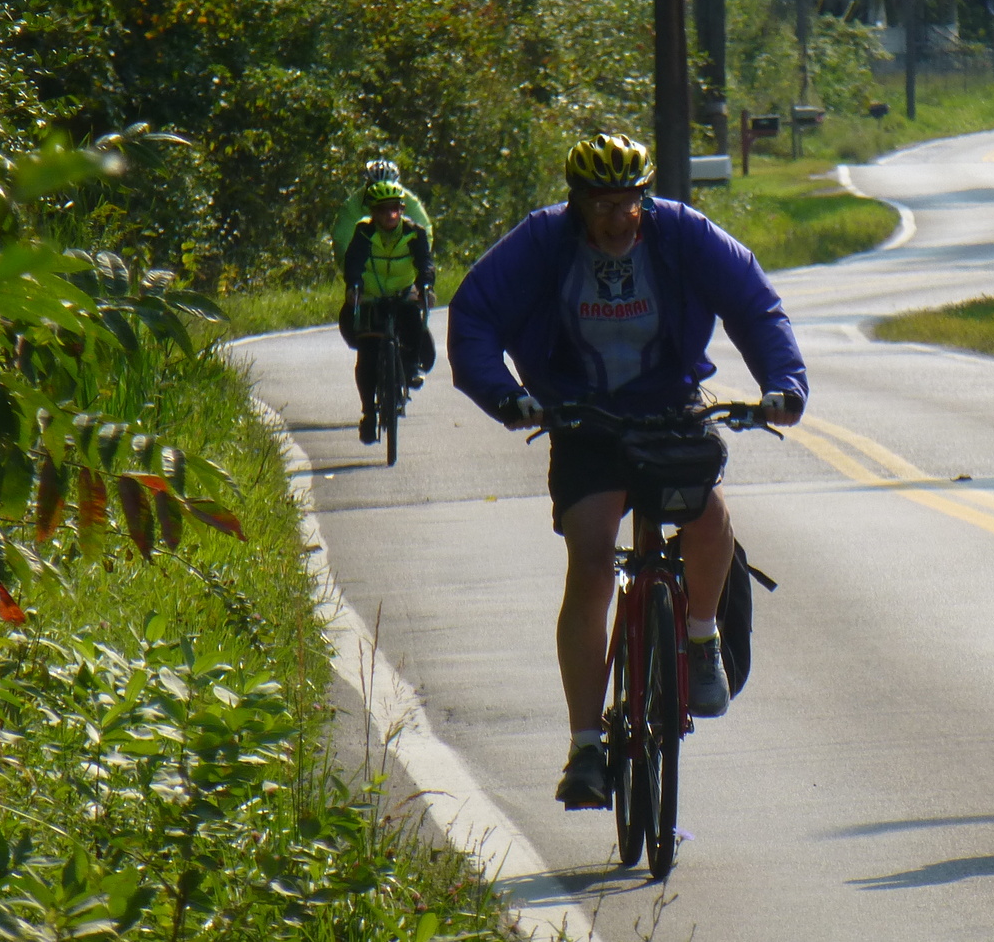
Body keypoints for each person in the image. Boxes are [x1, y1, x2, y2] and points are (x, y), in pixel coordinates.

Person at [448, 133, 807, 809]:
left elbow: (754, 303)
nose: (616, 219)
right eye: (601, 205)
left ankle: (701, 638)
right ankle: (586, 746)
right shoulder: (542, 242)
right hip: (582, 416)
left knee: (709, 518)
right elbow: (474, 316)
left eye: (627, 204)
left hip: (667, 405)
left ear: (645, 198)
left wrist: (782, 384)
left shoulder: (682, 233)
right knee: (590, 559)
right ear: (577, 202)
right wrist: (506, 395)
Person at [336, 160, 436, 444]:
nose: (390, 215)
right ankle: (368, 413)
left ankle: (411, 367)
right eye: (383, 210)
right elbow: (354, 261)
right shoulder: (363, 232)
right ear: (373, 212)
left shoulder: (415, 232)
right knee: (367, 354)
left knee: (414, 324)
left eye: (395, 209)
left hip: (402, 293)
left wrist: (426, 286)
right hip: (371, 296)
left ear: (402, 209)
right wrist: (354, 285)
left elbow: (425, 262)